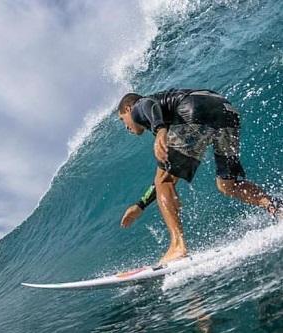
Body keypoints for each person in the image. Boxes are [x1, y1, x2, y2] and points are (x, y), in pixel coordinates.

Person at [114, 88, 281, 264]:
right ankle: (276, 207)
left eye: (121, 119)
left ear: (127, 109)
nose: (126, 126)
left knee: (164, 180)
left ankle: (178, 246)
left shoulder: (138, 108)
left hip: (193, 109)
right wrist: (140, 205)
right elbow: (168, 176)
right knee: (227, 185)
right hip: (226, 111)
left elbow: (147, 104)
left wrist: (161, 130)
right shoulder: (167, 111)